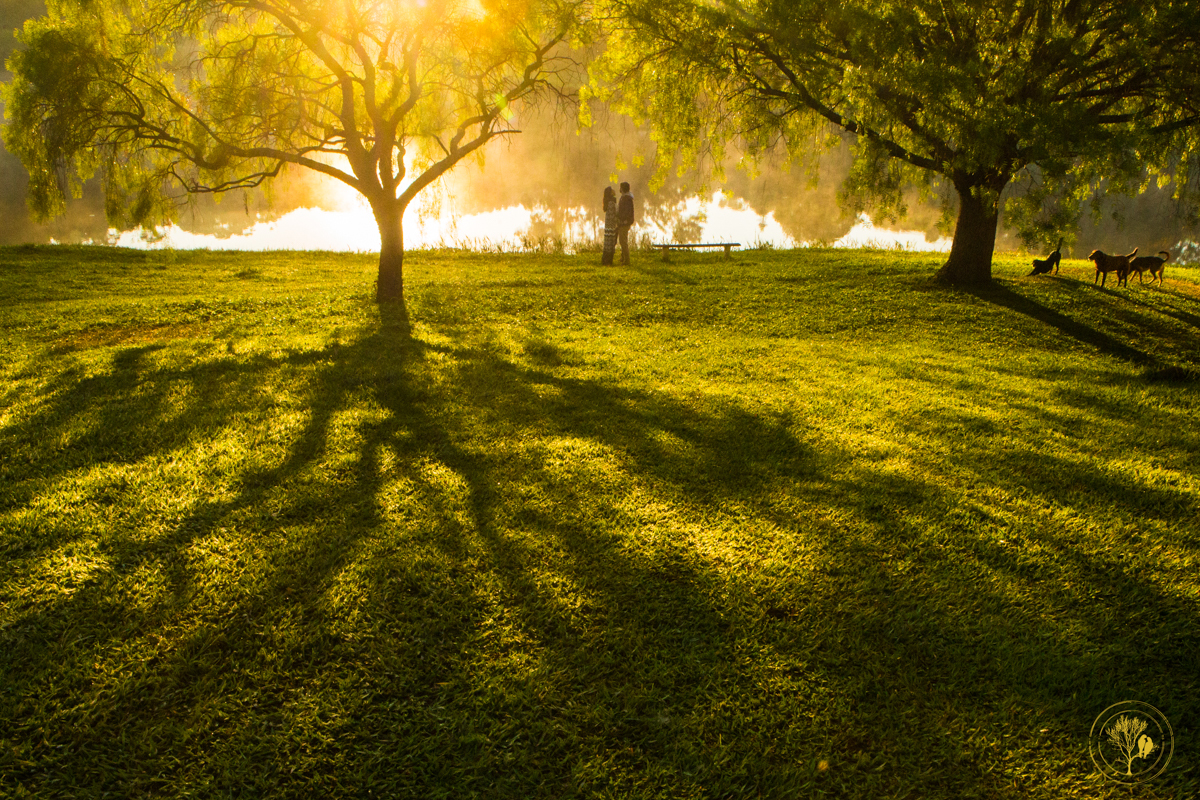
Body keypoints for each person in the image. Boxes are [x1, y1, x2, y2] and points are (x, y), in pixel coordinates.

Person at [616, 182, 635, 265]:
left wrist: (622, 219)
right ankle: (623, 257)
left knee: (623, 241)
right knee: (623, 240)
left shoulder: (626, 199)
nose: (619, 189)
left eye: (620, 187)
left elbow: (626, 211)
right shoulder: (625, 197)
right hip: (624, 222)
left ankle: (627, 260)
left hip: (624, 222)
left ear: (622, 189)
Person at [601, 186, 618, 265]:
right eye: (612, 190)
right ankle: (608, 261)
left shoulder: (608, 202)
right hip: (611, 225)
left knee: (608, 243)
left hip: (608, 225)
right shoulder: (611, 202)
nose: (614, 191)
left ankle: (606, 260)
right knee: (611, 242)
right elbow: (614, 214)